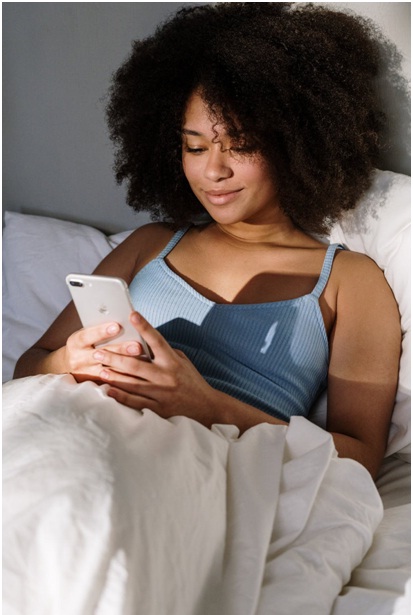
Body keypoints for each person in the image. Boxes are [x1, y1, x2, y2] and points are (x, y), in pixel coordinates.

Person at [14, 2, 401, 479]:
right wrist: (67, 360)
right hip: (77, 436)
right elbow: (29, 366)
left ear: (297, 144)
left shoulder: (349, 279)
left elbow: (360, 456)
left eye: (240, 145)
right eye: (195, 147)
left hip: (201, 469)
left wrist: (207, 405)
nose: (213, 170)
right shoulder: (150, 245)